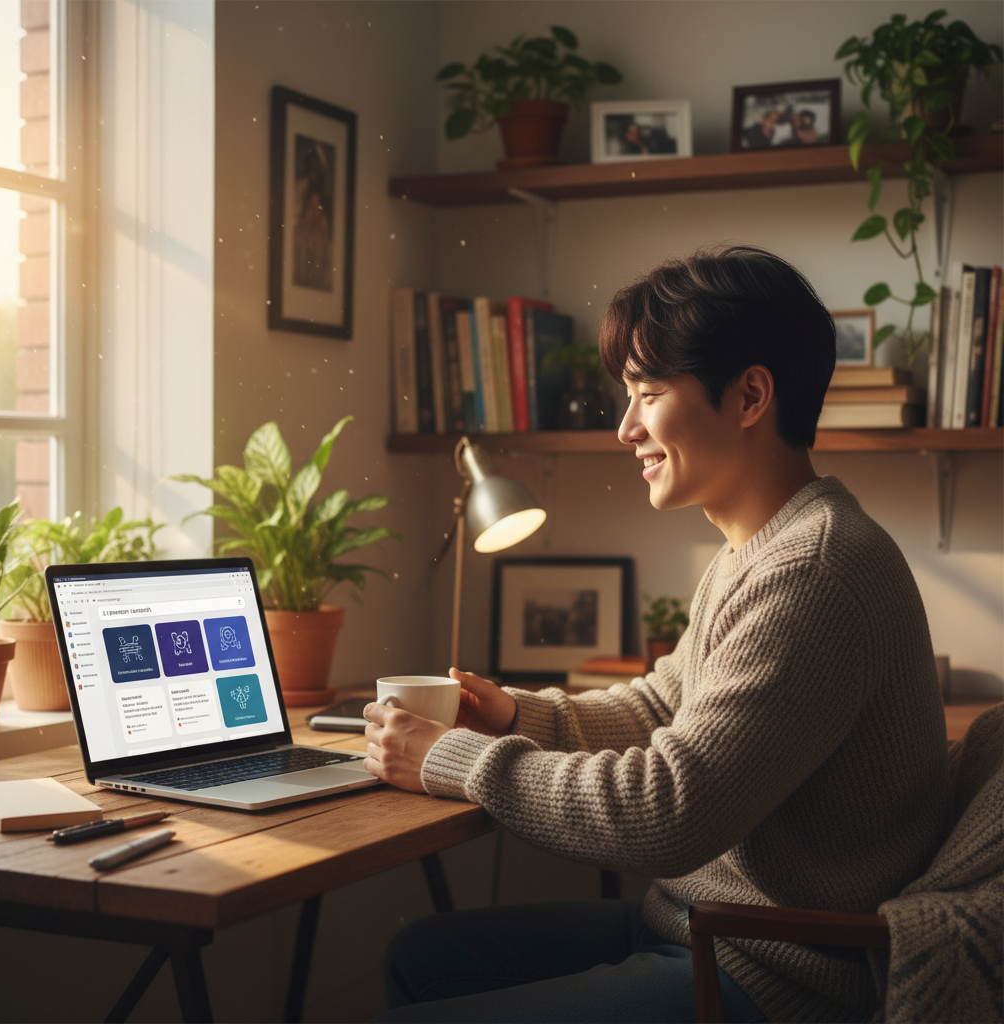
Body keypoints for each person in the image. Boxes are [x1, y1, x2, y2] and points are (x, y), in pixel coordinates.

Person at [363, 245, 950, 1024]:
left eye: (647, 392)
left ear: (749, 396)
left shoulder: (815, 570)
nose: (624, 427)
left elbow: (670, 809)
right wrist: (512, 714)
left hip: (771, 975)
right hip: (696, 930)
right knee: (420, 959)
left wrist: (455, 759)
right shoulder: (761, 547)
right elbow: (659, 710)